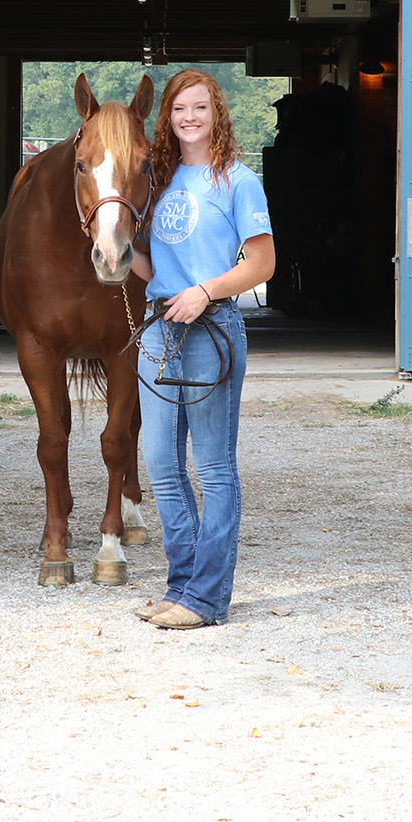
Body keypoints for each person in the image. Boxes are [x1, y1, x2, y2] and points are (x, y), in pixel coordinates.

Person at [127, 70, 276, 630]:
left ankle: (207, 598)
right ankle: (181, 587)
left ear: (218, 115)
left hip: (212, 326)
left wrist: (206, 290)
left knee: (213, 470)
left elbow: (261, 263)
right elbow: (151, 265)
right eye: (178, 109)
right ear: (166, 118)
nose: (189, 118)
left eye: (200, 108)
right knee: (162, 467)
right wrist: (117, 257)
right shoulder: (159, 180)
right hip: (161, 326)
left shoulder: (238, 181)